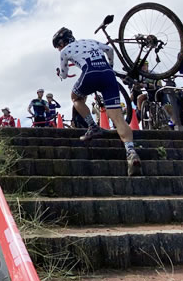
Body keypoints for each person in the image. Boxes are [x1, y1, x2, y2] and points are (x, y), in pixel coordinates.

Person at [53, 26, 141, 176]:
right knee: (118, 118)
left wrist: (60, 74)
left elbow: (64, 74)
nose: (58, 49)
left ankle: (92, 126)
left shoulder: (64, 51)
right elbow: (109, 50)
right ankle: (131, 152)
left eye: (57, 46)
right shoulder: (90, 41)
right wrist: (111, 66)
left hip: (90, 72)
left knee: (75, 98)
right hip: (108, 74)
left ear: (61, 43)